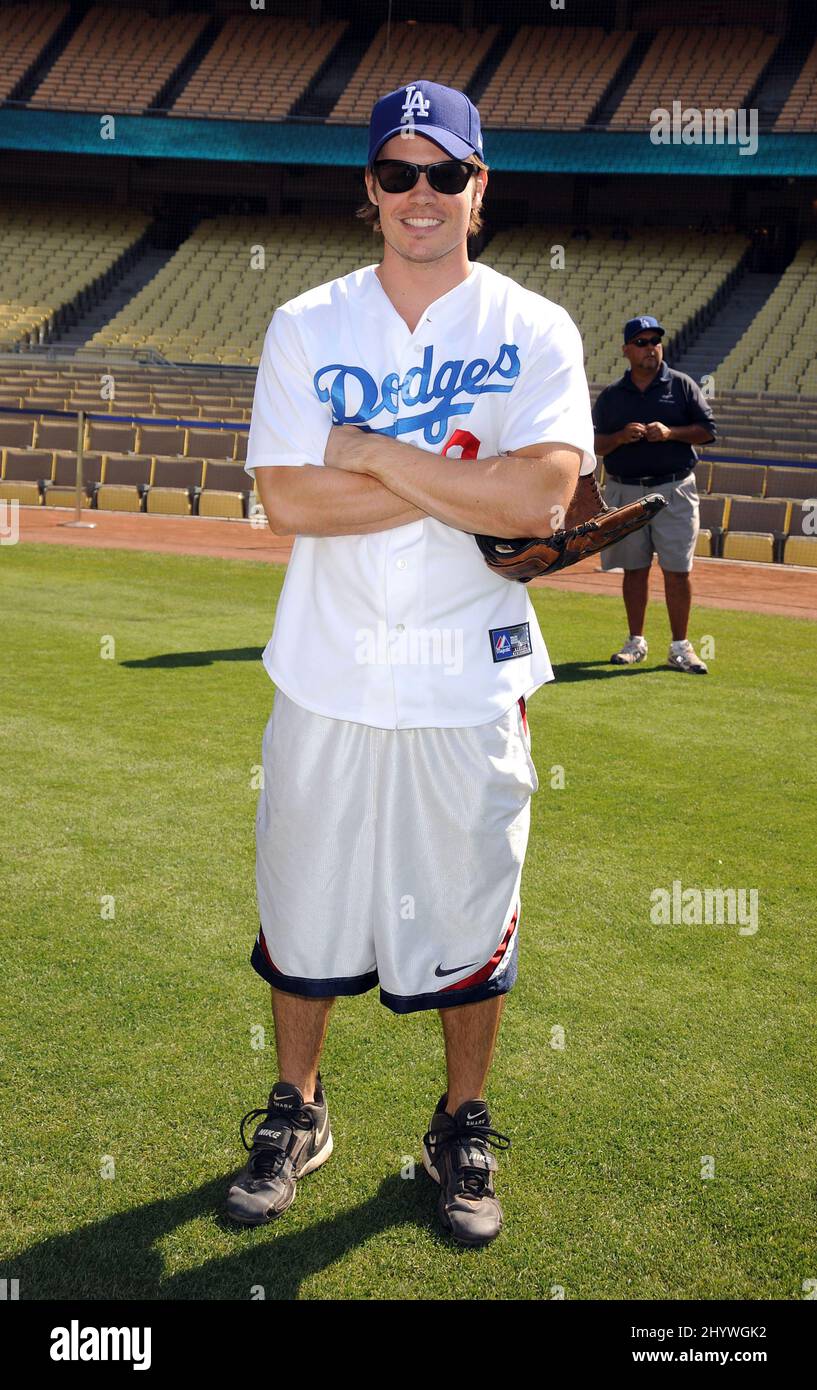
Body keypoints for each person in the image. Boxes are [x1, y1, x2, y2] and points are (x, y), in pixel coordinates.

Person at [226, 79, 596, 1246]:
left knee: (470, 906)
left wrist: (372, 454)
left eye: (446, 173)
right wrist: (453, 482)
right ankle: (297, 1106)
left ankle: (461, 1118)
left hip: (470, 673)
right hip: (326, 669)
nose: (421, 195)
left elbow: (541, 490)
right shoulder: (305, 321)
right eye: (398, 173)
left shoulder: (534, 327)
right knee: (301, 905)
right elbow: (286, 497)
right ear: (369, 193)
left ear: (480, 189)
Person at [592, 316, 716, 673]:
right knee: (634, 569)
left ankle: (680, 647)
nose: (650, 348)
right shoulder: (613, 396)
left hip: (673, 488)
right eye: (642, 342)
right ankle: (636, 642)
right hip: (626, 491)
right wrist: (618, 437)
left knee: (677, 570)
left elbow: (708, 432)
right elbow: (594, 444)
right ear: (627, 350)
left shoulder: (681, 386)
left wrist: (671, 432)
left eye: (655, 341)